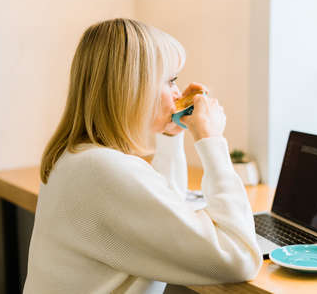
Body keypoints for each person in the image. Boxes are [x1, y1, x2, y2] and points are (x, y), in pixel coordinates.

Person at [23, 18, 262, 294]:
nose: (176, 93)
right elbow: (239, 257)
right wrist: (211, 140)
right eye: (170, 80)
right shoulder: (104, 170)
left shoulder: (76, 156)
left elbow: (164, 212)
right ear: (133, 87)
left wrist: (170, 135)